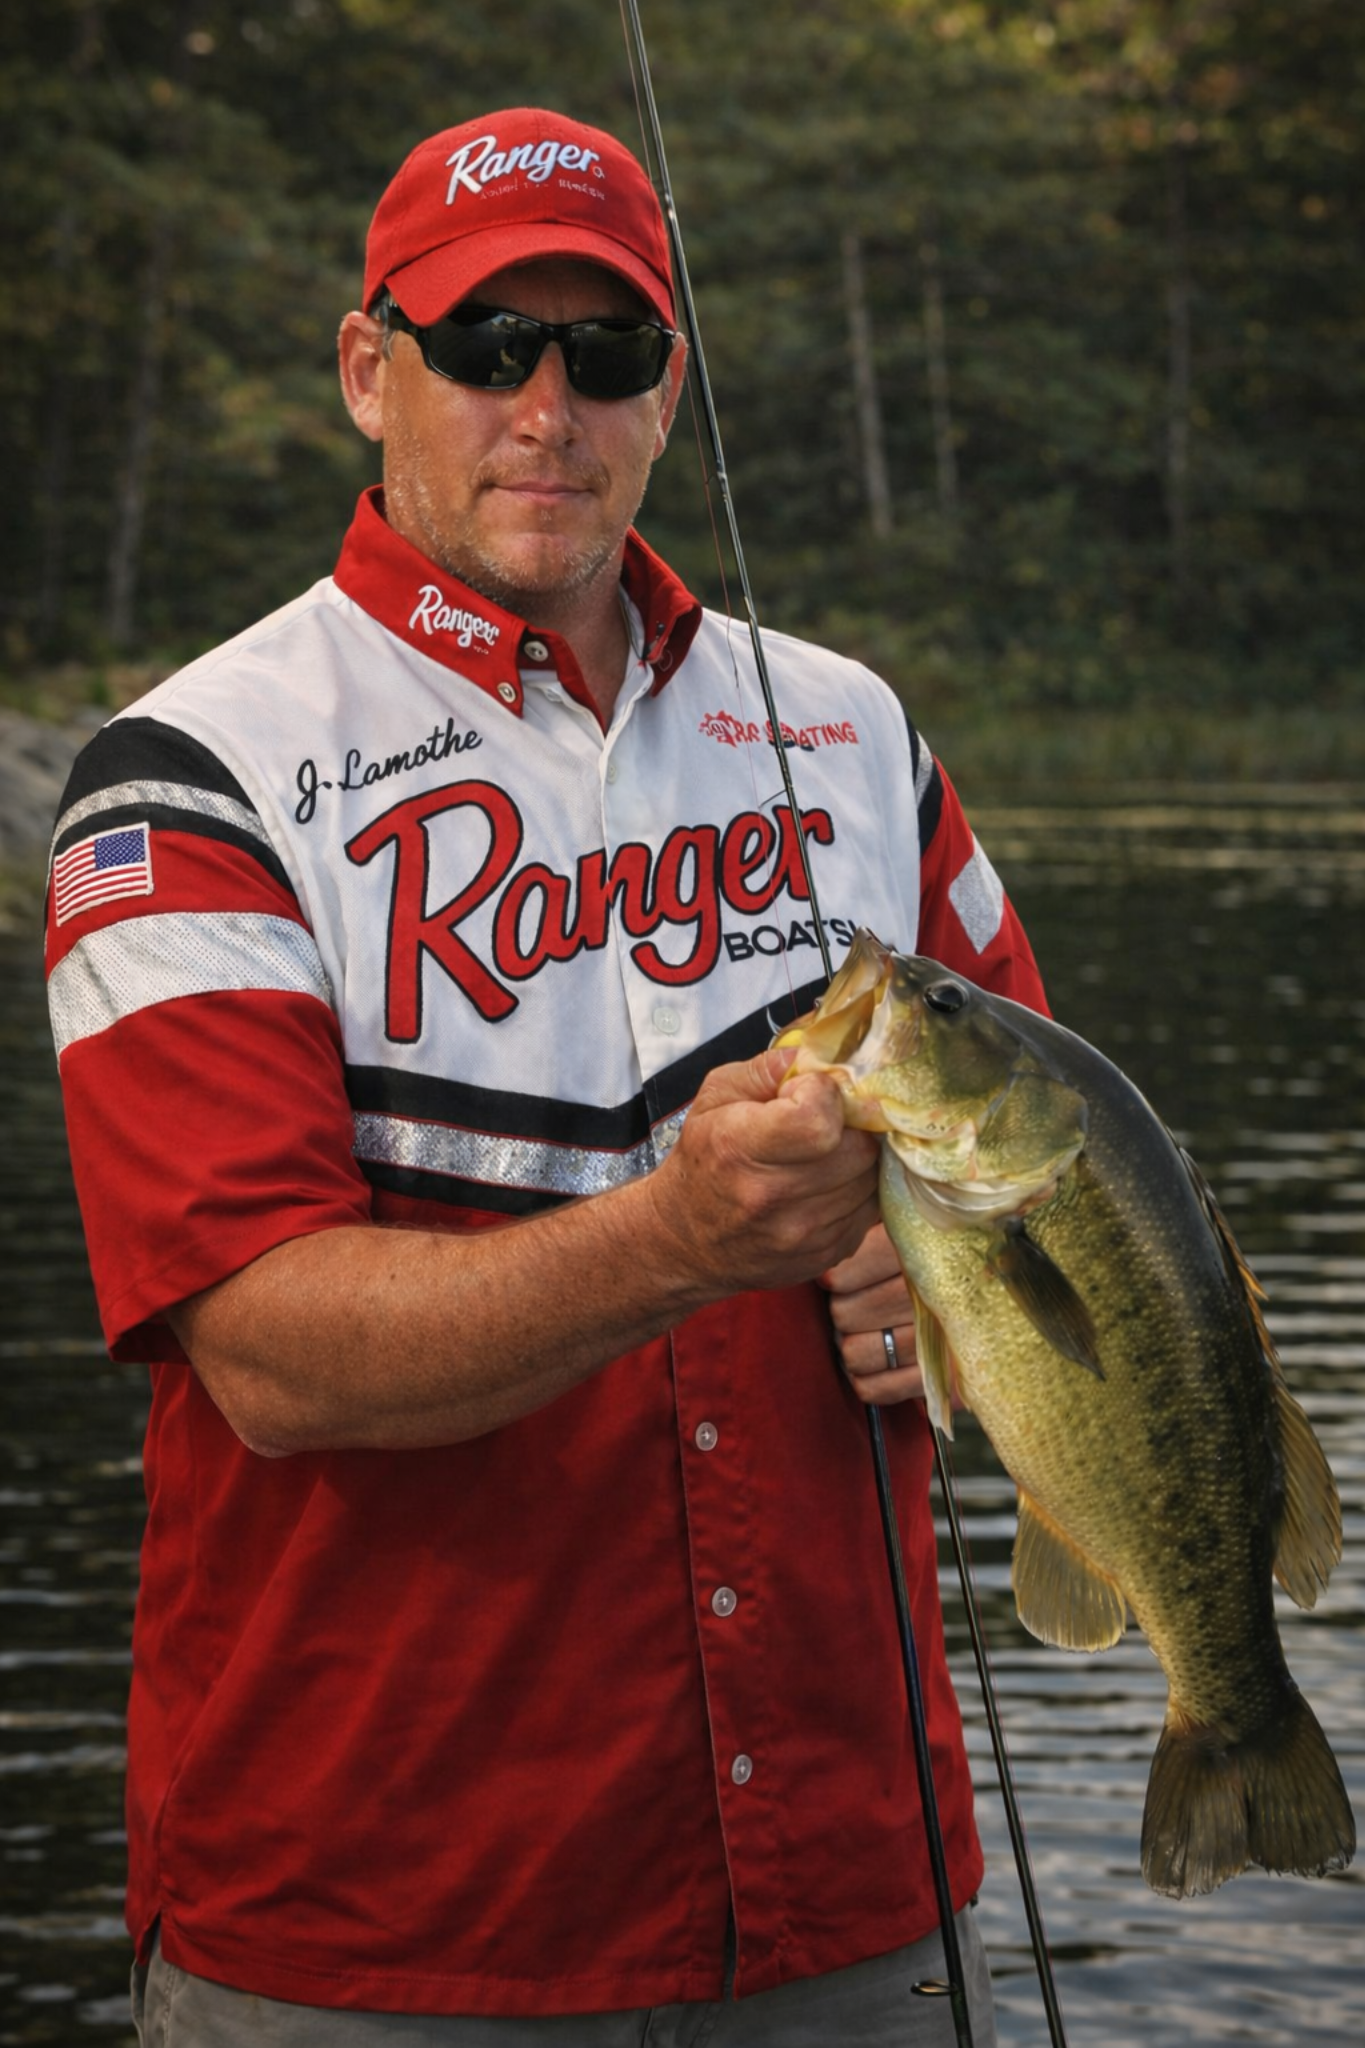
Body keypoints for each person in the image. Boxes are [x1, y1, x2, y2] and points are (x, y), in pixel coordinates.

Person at [45, 108, 1047, 2045]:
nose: (546, 406)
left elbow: (1047, 1196)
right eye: (485, 343)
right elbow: (267, 1347)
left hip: (853, 1898)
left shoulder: (855, 736)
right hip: (377, 1935)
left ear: (668, 391)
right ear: (368, 370)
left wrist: (933, 1291)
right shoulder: (188, 779)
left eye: (605, 353)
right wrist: (680, 1234)